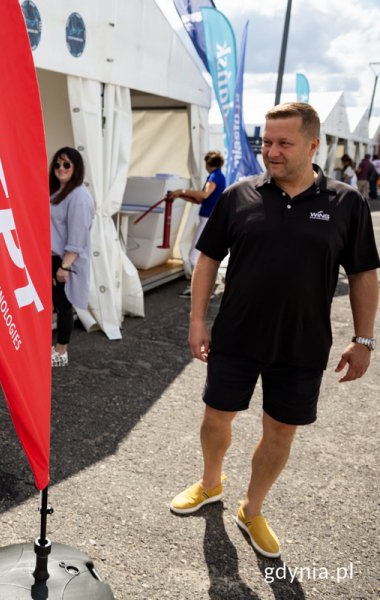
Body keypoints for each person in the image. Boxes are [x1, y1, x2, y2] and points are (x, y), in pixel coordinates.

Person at [170, 102, 379, 559]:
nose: (272, 151)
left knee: (281, 432)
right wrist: (197, 320)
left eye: (283, 143)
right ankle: (210, 484)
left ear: (312, 144)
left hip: (302, 344)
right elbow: (207, 259)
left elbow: (364, 273)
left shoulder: (346, 202)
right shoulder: (239, 194)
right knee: (215, 418)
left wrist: (364, 340)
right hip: (237, 335)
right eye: (266, 142)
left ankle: (252, 509)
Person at [48, 147, 95, 367]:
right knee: (57, 303)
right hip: (53, 257)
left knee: (64, 305)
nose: (60, 168)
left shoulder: (79, 196)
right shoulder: (58, 191)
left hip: (66, 259)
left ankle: (61, 351)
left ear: (76, 167)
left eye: (66, 164)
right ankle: (55, 348)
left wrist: (65, 266)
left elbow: (78, 236)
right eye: (57, 164)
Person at [167, 151, 227, 297]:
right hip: (210, 218)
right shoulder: (217, 176)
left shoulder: (214, 176)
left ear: (208, 164)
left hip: (208, 219)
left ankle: (198, 289)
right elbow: (200, 200)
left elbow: (204, 195)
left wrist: (180, 191)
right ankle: (205, 287)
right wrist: (180, 195)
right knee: (202, 255)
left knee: (194, 256)